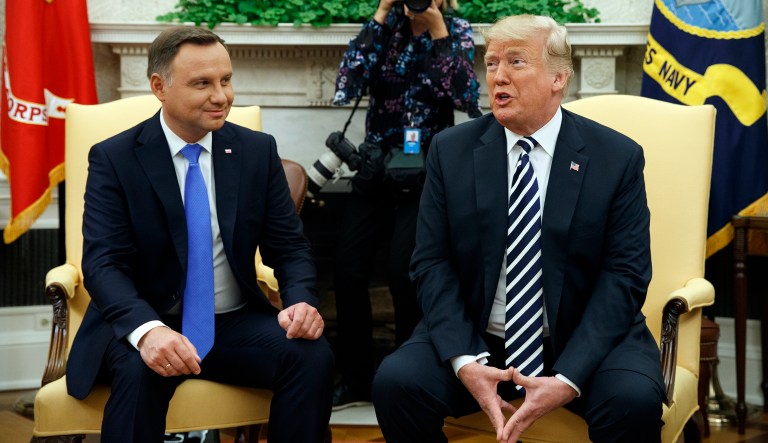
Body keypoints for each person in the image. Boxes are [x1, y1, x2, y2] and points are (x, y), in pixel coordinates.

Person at [372, 14, 665, 443]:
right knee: (396, 383)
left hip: (583, 338)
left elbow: (625, 274)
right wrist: (466, 361)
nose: (498, 76)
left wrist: (568, 376)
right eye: (491, 63)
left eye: (516, 62)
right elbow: (431, 263)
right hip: (479, 335)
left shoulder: (615, 157)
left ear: (558, 77)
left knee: (633, 400)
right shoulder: (450, 151)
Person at [65, 26, 334, 443]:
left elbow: (290, 246)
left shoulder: (256, 152)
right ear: (160, 87)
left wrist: (300, 301)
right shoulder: (114, 158)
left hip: (234, 323)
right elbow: (103, 264)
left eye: (226, 80)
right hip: (148, 321)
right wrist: (148, 331)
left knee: (311, 356)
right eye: (202, 83)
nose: (222, 95)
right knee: (139, 373)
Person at [330, 0, 482, 409]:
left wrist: (439, 32)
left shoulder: (456, 30)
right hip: (376, 167)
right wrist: (380, 15)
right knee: (347, 268)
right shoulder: (385, 28)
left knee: (405, 273)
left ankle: (406, 379)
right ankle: (357, 379)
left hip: (427, 177)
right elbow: (346, 85)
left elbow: (467, 98)